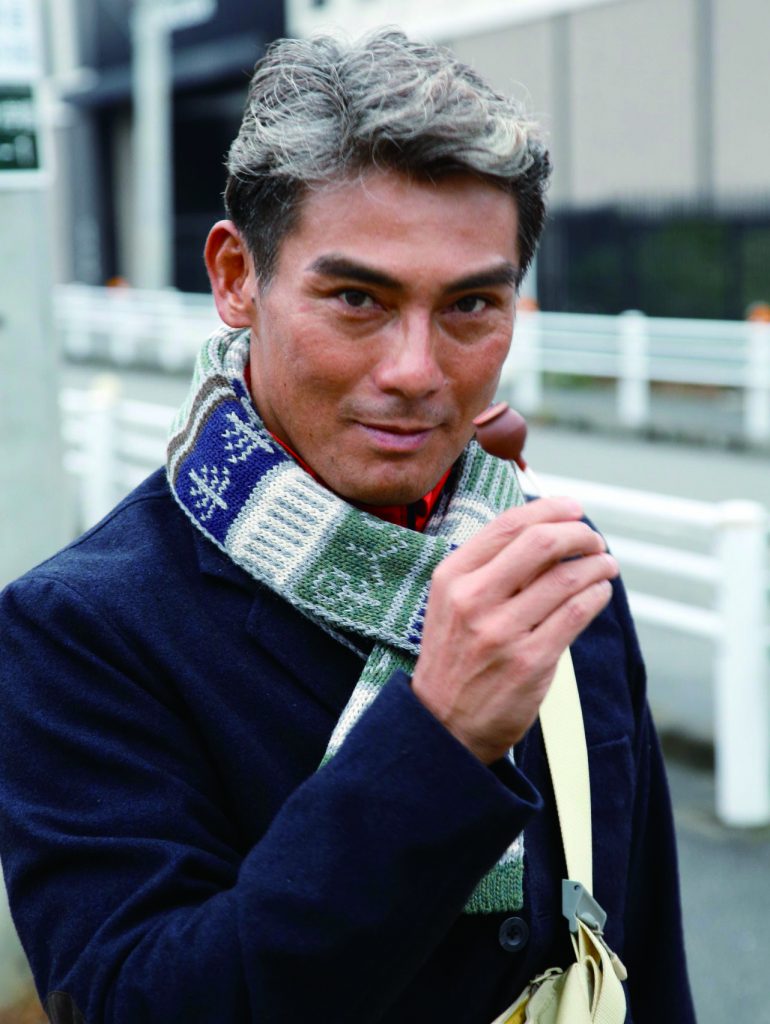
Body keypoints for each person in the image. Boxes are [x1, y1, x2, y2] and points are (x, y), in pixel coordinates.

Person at [0, 29, 694, 1024]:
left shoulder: (551, 572)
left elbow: (642, 959)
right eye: (358, 297)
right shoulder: (81, 629)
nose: (416, 370)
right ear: (237, 277)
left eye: (470, 305)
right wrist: (436, 737)